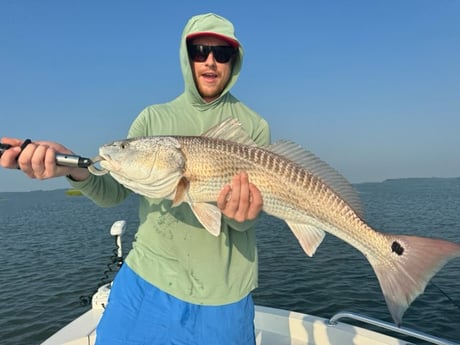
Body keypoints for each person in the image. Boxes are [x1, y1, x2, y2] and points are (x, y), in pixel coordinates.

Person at [0, 13, 270, 345]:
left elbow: (244, 221)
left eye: (222, 53)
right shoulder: (153, 118)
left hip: (223, 294)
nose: (210, 61)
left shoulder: (253, 126)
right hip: (146, 281)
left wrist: (241, 215)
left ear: (235, 60)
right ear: (187, 57)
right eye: (200, 50)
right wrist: (72, 167)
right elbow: (113, 191)